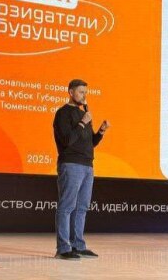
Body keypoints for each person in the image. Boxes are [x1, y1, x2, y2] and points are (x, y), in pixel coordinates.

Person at [53, 79, 110, 260]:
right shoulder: (63, 113)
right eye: (80, 92)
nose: (84, 95)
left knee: (82, 207)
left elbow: (90, 143)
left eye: (85, 92)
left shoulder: (84, 114)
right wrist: (82, 123)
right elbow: (67, 140)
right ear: (71, 92)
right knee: (67, 206)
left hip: (87, 165)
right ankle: (63, 248)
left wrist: (101, 131)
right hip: (71, 163)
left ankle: (78, 245)